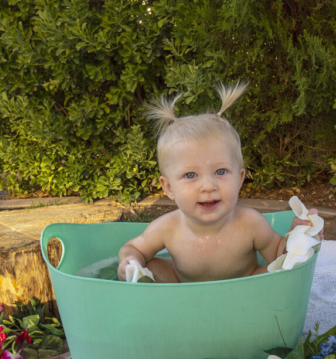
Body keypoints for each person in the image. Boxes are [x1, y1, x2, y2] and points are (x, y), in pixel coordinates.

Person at [117, 82, 322, 283]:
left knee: (272, 274)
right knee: (151, 267)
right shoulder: (166, 228)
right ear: (169, 188)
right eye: (190, 175)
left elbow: (278, 258)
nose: (208, 186)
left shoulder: (250, 223)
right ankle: (155, 295)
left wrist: (298, 238)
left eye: (221, 171)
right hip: (184, 290)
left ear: (239, 179)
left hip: (243, 288)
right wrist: (130, 262)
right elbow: (133, 248)